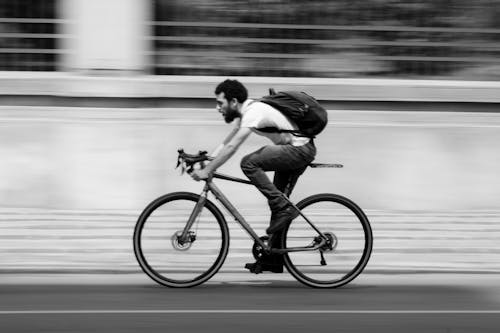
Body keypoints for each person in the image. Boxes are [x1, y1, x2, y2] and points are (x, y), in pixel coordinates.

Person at [190, 79, 316, 273]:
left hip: (299, 150)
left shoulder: (253, 112)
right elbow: (227, 142)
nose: (217, 108)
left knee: (249, 163)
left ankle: (283, 208)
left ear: (233, 101)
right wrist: (207, 161)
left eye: (219, 103)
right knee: (278, 202)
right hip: (293, 150)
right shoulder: (246, 113)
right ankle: (274, 259)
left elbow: (233, 147)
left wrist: (208, 171)